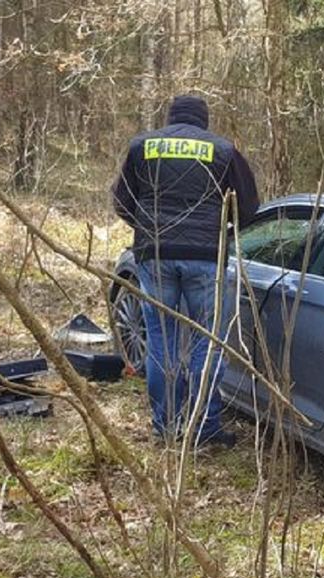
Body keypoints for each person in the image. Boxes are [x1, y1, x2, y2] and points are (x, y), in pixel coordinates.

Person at [112, 94, 260, 448]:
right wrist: (220, 231)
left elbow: (122, 202)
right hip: (206, 257)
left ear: (171, 118)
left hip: (155, 256)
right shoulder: (223, 151)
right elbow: (250, 207)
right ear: (203, 121)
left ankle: (165, 427)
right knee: (207, 344)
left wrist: (148, 229)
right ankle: (204, 428)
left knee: (161, 344)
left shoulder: (141, 147)